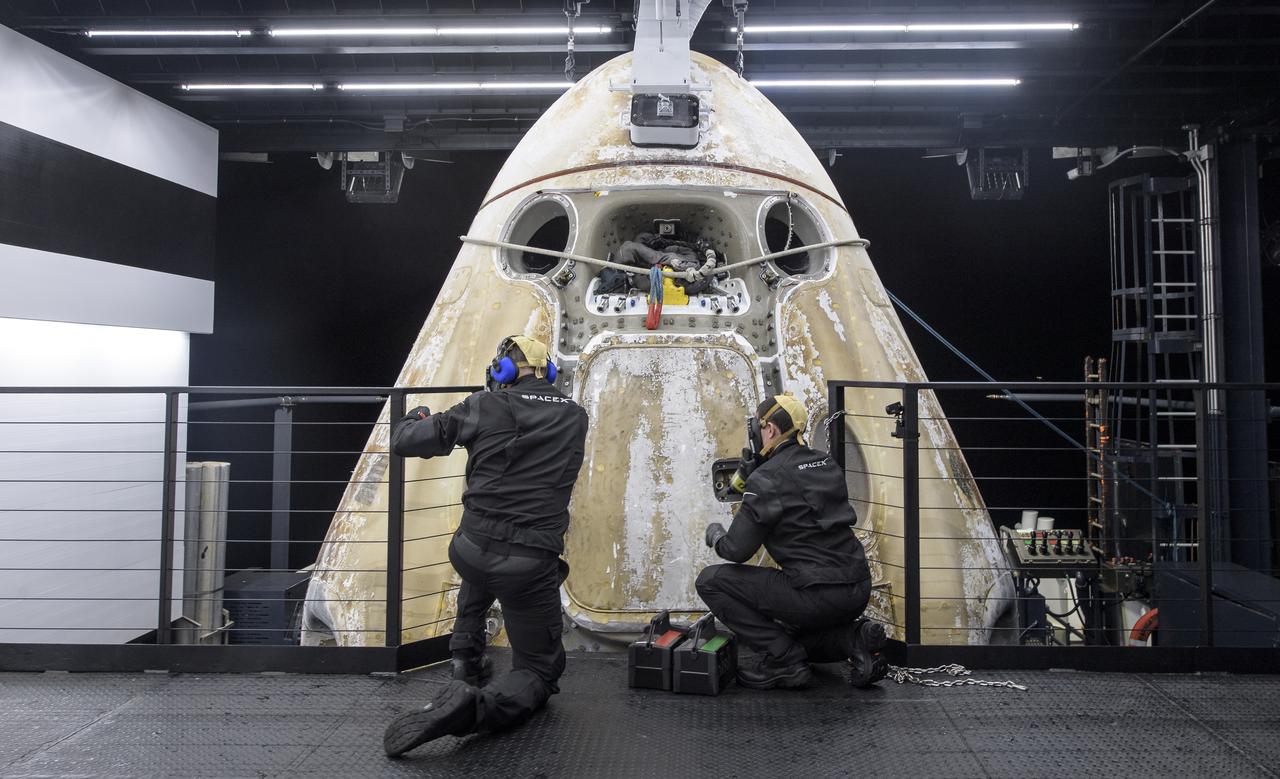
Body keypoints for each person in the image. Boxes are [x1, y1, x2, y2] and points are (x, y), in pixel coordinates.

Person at [383, 335, 589, 758]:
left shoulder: (484, 405)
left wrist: (418, 414)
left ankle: (466, 669)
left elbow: (406, 440)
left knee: (482, 566)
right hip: (529, 561)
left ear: (503, 372)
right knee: (539, 671)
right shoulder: (576, 416)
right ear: (548, 372)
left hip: (471, 547)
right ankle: (474, 708)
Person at [696, 394, 887, 690]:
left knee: (711, 581)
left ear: (770, 429)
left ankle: (784, 660)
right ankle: (854, 638)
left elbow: (737, 550)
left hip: (816, 594)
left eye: (758, 429)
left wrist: (717, 535)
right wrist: (756, 474)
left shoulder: (768, 479)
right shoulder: (825, 462)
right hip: (857, 588)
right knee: (790, 630)